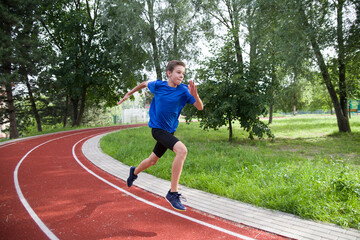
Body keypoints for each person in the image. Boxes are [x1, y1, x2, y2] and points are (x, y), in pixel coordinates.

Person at [118, 60, 203, 211]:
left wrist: (195, 96)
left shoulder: (184, 91)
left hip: (170, 131)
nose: (181, 76)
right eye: (178, 72)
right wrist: (129, 93)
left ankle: (134, 172)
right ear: (169, 73)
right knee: (182, 150)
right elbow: (144, 83)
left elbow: (199, 107)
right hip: (157, 129)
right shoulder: (158, 85)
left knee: (153, 160)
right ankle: (173, 193)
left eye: (183, 73)